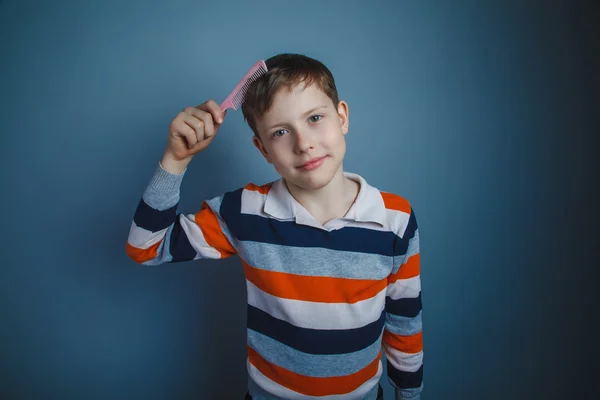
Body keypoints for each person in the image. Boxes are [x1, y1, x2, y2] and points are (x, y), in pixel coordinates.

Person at [126, 53, 423, 400]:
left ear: (342, 116)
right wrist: (175, 160)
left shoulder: (395, 219)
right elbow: (145, 246)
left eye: (315, 118)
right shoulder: (244, 212)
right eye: (280, 132)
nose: (303, 143)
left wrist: (410, 396)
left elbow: (405, 327)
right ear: (263, 149)